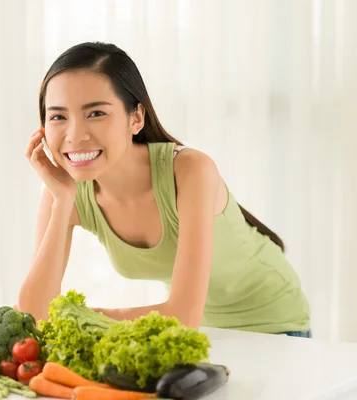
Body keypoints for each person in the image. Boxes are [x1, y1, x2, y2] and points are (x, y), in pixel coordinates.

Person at [18, 41, 311, 338]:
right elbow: (33, 314)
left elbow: (183, 315)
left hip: (272, 325)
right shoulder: (64, 193)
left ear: (136, 118)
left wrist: (75, 316)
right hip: (194, 331)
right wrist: (62, 199)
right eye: (58, 116)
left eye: (95, 113)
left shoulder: (191, 171)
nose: (75, 135)